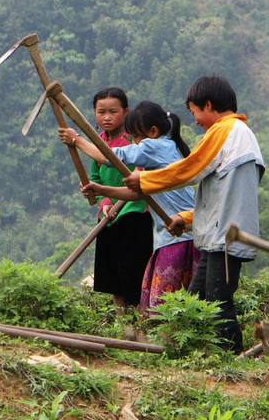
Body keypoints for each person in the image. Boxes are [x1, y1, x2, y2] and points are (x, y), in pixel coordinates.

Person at [123, 75, 265, 353]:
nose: (196, 120)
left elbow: (190, 169)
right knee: (196, 299)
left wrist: (145, 182)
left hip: (225, 236)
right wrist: (185, 219)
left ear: (209, 105)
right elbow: (218, 195)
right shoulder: (237, 134)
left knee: (217, 301)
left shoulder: (226, 130)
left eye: (195, 112)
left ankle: (233, 360)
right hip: (218, 234)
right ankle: (182, 352)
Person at [60, 101, 200, 313]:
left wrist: (76, 139)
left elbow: (107, 157)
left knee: (162, 306)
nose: (134, 142)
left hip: (178, 236)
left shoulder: (153, 147)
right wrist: (101, 190)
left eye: (136, 137)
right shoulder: (168, 145)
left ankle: (156, 345)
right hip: (184, 233)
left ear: (152, 132)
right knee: (174, 301)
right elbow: (137, 192)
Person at [63, 87, 153, 310]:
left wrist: (77, 141)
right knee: (113, 281)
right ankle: (123, 330)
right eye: (101, 112)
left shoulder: (133, 141)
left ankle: (141, 329)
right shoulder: (99, 140)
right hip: (108, 217)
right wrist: (102, 201)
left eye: (113, 111)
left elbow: (126, 170)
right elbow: (94, 176)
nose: (107, 117)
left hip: (133, 213)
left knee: (135, 278)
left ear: (126, 112)